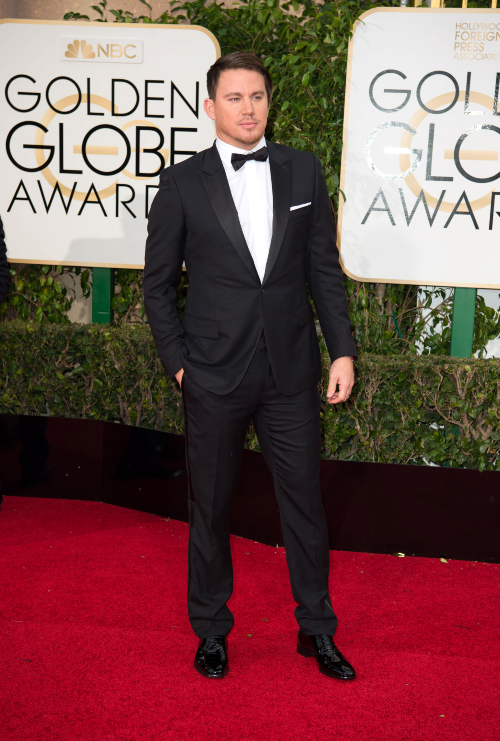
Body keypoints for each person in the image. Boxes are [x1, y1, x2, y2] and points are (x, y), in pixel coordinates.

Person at [144, 52, 357, 680]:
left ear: (269, 103)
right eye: (234, 98)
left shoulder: (302, 169)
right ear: (211, 107)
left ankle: (317, 628)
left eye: (257, 96)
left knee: (305, 505)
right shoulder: (182, 182)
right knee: (210, 507)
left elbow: (323, 269)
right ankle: (212, 629)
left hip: (291, 372)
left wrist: (342, 350)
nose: (248, 108)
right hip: (212, 373)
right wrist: (180, 365)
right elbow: (157, 285)